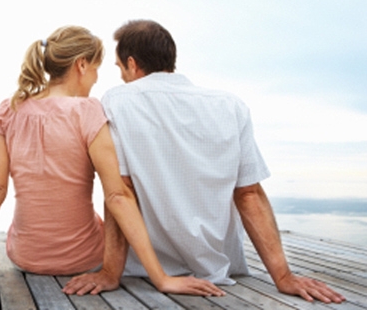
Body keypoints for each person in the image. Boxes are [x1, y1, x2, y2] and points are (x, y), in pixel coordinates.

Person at [0, 25, 223, 296]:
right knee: (123, 198)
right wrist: (162, 278)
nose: (97, 79)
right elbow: (116, 195)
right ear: (81, 65)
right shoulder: (88, 111)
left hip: (24, 257)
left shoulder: (8, 110)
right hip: (85, 258)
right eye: (98, 68)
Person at [63, 20, 345, 304]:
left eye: (120, 67)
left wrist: (111, 272)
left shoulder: (116, 102)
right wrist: (283, 276)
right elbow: (249, 194)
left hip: (143, 274)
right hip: (218, 275)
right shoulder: (230, 105)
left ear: (132, 64)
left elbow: (121, 192)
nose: (122, 76)